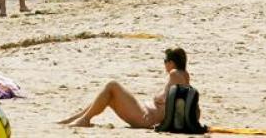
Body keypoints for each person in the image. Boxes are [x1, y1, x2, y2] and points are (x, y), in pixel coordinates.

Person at [59, 47, 193, 128]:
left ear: (171, 62)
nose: (164, 65)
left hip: (145, 118)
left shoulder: (175, 74)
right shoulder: (184, 75)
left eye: (165, 61)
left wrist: (159, 100)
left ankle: (84, 119)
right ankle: (78, 118)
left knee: (112, 85)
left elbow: (173, 100)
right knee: (108, 95)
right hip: (145, 112)